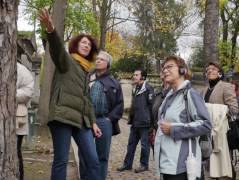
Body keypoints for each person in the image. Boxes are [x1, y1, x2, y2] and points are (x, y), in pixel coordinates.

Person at [38, 9, 102, 180]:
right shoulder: (67, 60)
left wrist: (93, 122)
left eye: (89, 44)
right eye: (83, 42)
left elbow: (86, 99)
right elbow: (57, 49)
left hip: (81, 121)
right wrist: (51, 30)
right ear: (76, 45)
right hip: (62, 117)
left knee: (93, 160)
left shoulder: (86, 70)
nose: (86, 45)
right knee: (61, 161)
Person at [154, 55, 211, 180]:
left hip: (182, 166)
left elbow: (206, 124)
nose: (165, 70)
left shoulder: (190, 94)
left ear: (182, 70)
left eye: (169, 66)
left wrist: (174, 129)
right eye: (164, 68)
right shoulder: (168, 96)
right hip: (166, 162)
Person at [79, 51, 124, 180]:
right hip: (86, 120)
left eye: (102, 59)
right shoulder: (87, 77)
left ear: (108, 64)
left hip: (104, 121)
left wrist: (109, 119)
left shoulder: (114, 82)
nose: (98, 60)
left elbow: (119, 105)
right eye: (97, 58)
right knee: (83, 153)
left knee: (102, 155)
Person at [203, 62, 239, 179]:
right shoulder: (204, 90)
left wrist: (216, 112)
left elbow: (234, 109)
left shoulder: (225, 86)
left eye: (213, 69)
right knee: (211, 162)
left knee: (224, 162)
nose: (209, 71)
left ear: (219, 73)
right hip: (208, 130)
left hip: (221, 131)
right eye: (208, 69)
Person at [117, 68, 154, 173]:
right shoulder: (136, 88)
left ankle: (144, 165)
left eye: (136, 75)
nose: (134, 76)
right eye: (134, 74)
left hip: (145, 123)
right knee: (131, 144)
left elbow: (152, 107)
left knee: (144, 145)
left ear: (143, 77)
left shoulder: (148, 88)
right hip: (135, 122)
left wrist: (152, 123)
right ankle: (127, 164)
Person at [16, 62, 34, 180]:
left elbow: (28, 91)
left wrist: (5, 91)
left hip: (16, 121)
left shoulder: (21, 70)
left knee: (15, 151)